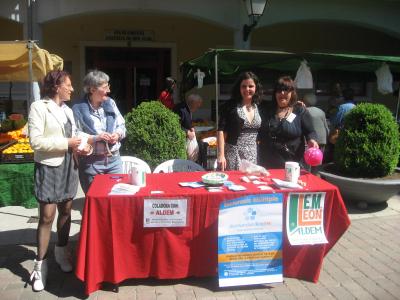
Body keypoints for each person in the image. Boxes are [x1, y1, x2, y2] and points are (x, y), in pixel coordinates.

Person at [28, 70, 82, 291]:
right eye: (68, 85)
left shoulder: (68, 111)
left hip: (70, 165)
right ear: (56, 86)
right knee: (47, 216)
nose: (71, 89)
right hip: (50, 167)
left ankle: (61, 250)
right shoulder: (39, 107)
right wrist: (67, 142)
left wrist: (82, 145)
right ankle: (40, 265)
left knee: (67, 211)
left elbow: (75, 135)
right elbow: (36, 142)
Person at [72, 70, 126, 193]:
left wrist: (117, 134)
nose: (108, 90)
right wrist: (97, 137)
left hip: (114, 161)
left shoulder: (110, 103)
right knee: (94, 200)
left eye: (108, 86)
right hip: (91, 163)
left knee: (116, 198)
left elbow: (121, 124)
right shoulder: (78, 108)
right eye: (105, 87)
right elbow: (75, 134)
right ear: (92, 90)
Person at [258, 76, 319, 169]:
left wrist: (312, 140)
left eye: (286, 90)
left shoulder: (299, 111)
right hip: (267, 164)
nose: (282, 93)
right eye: (279, 90)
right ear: (275, 93)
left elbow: (310, 131)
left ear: (292, 93)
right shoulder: (266, 109)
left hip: (292, 165)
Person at [217, 71, 262, 171]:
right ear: (239, 88)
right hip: (234, 153)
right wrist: (221, 155)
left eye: (251, 86)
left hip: (253, 154)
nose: (247, 89)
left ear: (256, 88)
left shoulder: (259, 106)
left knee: (249, 183)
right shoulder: (229, 106)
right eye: (244, 86)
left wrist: (297, 107)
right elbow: (221, 130)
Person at [173, 94, 203, 161]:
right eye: (198, 104)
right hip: (178, 141)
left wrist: (190, 127)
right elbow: (175, 125)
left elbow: (185, 122)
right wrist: (187, 132)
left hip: (184, 139)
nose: (199, 106)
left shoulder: (188, 108)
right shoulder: (181, 110)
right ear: (192, 102)